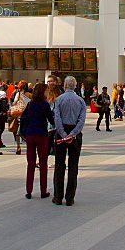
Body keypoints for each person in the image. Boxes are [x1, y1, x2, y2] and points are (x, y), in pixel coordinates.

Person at [52, 76, 86, 206]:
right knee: (73, 165)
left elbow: (57, 118)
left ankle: (58, 196)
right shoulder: (80, 101)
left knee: (59, 165)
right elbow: (81, 120)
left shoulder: (59, 100)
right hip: (75, 134)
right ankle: (70, 197)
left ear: (65, 86)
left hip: (61, 132)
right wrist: (72, 134)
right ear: (75, 86)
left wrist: (63, 134)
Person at [20, 83, 52, 199]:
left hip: (30, 134)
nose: (48, 92)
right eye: (47, 91)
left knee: (31, 163)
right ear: (43, 92)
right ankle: (43, 190)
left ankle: (29, 190)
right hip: (41, 134)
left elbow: (23, 117)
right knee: (43, 162)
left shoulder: (30, 104)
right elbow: (51, 120)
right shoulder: (45, 105)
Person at [8, 81, 31, 155]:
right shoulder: (30, 95)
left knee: (18, 131)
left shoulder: (19, 94)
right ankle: (28, 144)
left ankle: (18, 146)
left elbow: (14, 102)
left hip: (19, 114)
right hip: (28, 114)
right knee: (27, 131)